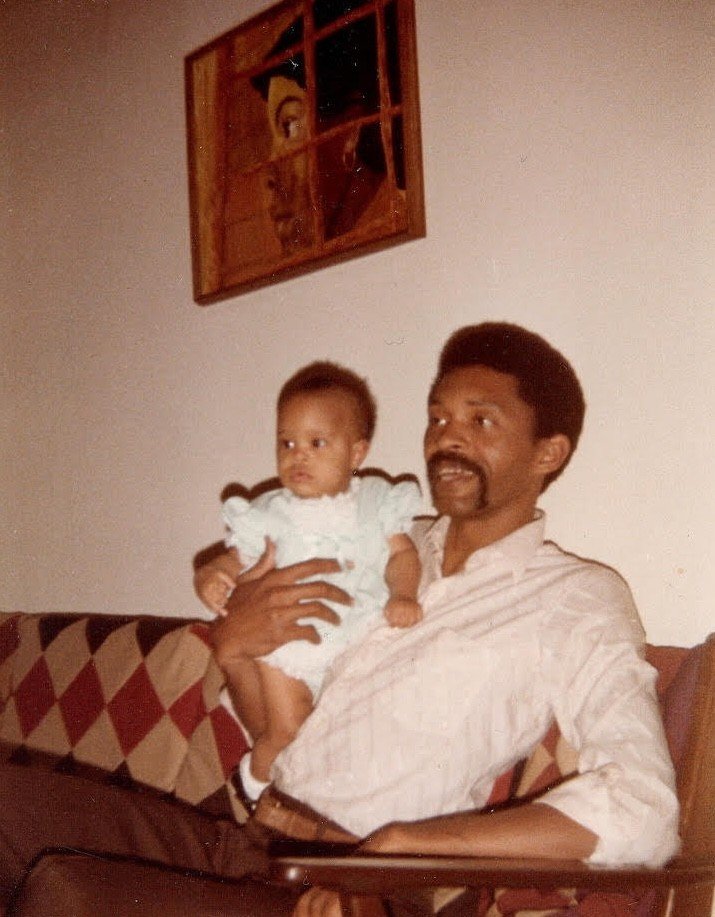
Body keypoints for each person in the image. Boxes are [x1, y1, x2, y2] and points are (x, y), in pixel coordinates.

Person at [0, 323, 679, 917]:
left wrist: (403, 847)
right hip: (244, 837)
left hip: (358, 893)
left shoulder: (573, 594)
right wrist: (233, 648)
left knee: (73, 896)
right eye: (437, 417)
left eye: (480, 421)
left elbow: (642, 809)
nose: (446, 439)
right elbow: (281, 707)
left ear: (547, 453)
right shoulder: (366, 538)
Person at [204, 360, 422, 805]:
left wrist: (403, 593)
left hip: (356, 639)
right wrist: (211, 574)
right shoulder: (269, 511)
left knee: (330, 745)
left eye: (316, 443)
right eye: (286, 442)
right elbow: (235, 558)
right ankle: (253, 789)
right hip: (286, 640)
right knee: (288, 732)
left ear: (357, 453)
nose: (297, 455)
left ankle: (298, 809)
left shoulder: (378, 501)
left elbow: (402, 554)